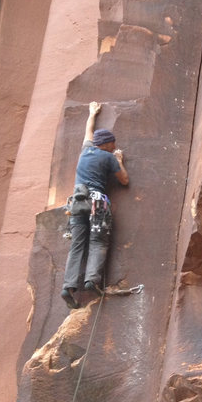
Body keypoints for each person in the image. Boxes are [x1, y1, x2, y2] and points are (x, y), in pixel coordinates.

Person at [60, 101, 129, 309]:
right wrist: (119, 160)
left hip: (77, 203)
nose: (114, 146)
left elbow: (88, 132)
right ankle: (92, 281)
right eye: (112, 144)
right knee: (98, 242)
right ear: (106, 144)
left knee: (77, 245)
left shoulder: (86, 150)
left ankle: (68, 286)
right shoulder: (107, 157)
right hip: (97, 203)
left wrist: (92, 113)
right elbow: (124, 180)